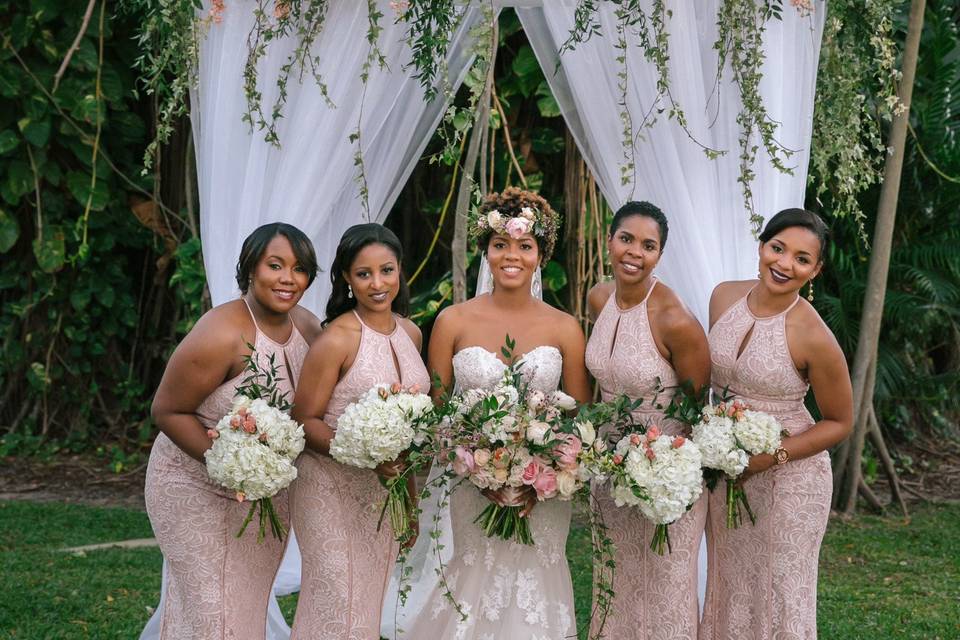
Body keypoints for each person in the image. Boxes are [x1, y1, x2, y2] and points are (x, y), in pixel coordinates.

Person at [395, 187, 592, 639]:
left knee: (535, 582)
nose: (512, 256)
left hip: (543, 493)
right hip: (469, 483)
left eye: (524, 246)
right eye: (500, 244)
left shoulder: (565, 327)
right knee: (473, 575)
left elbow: (580, 419)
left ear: (541, 254)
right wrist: (477, 466)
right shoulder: (452, 321)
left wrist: (539, 473)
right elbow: (436, 415)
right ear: (485, 251)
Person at [143, 222, 322, 639]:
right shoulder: (221, 333)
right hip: (191, 487)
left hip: (261, 493)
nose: (287, 279)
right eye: (274, 265)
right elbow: (168, 410)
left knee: (241, 610)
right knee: (213, 613)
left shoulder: (308, 327)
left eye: (298, 269)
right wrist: (231, 463)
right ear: (249, 268)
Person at [699, 208, 853, 640]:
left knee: (781, 593)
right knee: (730, 585)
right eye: (778, 248)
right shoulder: (723, 296)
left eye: (802, 259)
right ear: (762, 246)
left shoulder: (814, 335)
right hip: (726, 469)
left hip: (791, 479)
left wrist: (775, 456)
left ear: (815, 270)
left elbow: (840, 422)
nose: (785, 264)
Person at [288, 223, 429, 639]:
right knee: (336, 595)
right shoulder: (337, 339)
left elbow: (405, 430)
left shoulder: (411, 332)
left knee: (369, 597)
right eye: (364, 274)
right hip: (328, 486)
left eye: (386, 270)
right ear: (347, 278)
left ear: (400, 270)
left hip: (385, 492)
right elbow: (304, 419)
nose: (377, 283)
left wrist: (410, 499)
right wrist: (365, 453)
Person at [585, 201, 711, 639]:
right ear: (610, 240)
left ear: (660, 255)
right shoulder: (599, 298)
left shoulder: (675, 320)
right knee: (615, 583)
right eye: (626, 239)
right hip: (609, 474)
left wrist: (664, 471)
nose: (634, 252)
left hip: (666, 477)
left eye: (648, 245)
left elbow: (696, 410)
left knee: (666, 590)